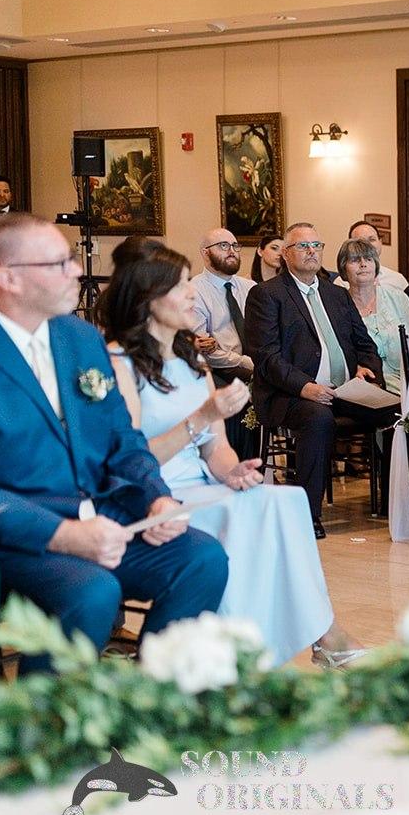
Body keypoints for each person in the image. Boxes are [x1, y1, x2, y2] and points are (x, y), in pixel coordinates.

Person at [101, 243, 367, 669]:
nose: (192, 293)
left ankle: (313, 635)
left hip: (202, 483)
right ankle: (258, 649)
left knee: (283, 501)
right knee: (241, 516)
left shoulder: (191, 359)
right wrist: (201, 418)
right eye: (180, 286)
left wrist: (232, 471)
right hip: (154, 493)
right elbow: (128, 456)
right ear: (148, 299)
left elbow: (215, 447)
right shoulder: (118, 364)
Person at [0, 214, 227, 673]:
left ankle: (149, 697)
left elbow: (122, 437)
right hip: (13, 536)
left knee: (202, 557)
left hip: (102, 514)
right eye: (59, 263)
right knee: (92, 590)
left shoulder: (79, 338)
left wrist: (155, 498)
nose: (77, 271)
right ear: (8, 278)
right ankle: (48, 717)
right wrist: (63, 535)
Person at [242, 222, 389, 537]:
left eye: (316, 246)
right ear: (286, 253)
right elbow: (266, 357)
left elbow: (365, 344)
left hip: (344, 391)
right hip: (290, 395)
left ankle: (395, 502)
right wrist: (305, 387)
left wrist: (366, 369)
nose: (311, 252)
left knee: (396, 410)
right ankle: (307, 515)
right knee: (318, 418)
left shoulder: (337, 294)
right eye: (303, 246)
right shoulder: (266, 295)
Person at [192, 227, 258, 461]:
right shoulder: (195, 291)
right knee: (233, 396)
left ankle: (260, 469)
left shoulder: (250, 288)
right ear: (205, 252)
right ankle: (232, 465)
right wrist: (247, 363)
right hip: (219, 369)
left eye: (235, 245)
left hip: (255, 366)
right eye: (223, 246)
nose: (231, 251)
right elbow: (205, 351)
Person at [337, 237, 409, 394]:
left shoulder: (398, 297)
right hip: (367, 386)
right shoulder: (337, 306)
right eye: (355, 260)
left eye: (369, 259)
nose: (363, 264)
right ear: (343, 269)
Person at [344, 221, 409, 291]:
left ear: (380, 242)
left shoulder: (398, 280)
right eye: (360, 241)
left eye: (372, 239)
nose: (368, 245)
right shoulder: (341, 284)